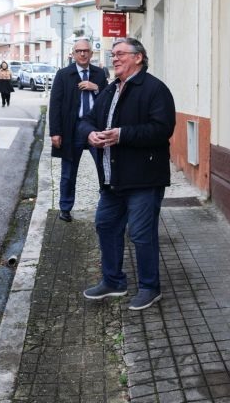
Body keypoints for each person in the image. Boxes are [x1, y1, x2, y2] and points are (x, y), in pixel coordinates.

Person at [82, 38, 175, 311]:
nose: (115, 59)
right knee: (106, 226)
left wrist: (121, 135)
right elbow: (86, 120)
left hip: (144, 179)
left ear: (139, 57)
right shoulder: (110, 90)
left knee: (141, 233)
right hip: (112, 179)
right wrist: (90, 134)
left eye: (121, 53)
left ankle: (149, 287)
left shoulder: (155, 89)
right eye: (113, 55)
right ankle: (113, 281)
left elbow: (161, 129)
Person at [49, 39, 108, 222]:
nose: (83, 54)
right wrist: (55, 132)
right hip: (71, 129)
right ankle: (65, 208)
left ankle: (107, 206)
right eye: (79, 51)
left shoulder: (99, 74)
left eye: (86, 51)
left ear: (91, 54)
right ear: (73, 54)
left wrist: (96, 88)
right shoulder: (64, 74)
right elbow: (55, 105)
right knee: (68, 172)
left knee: (104, 168)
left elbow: (109, 99)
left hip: (94, 128)